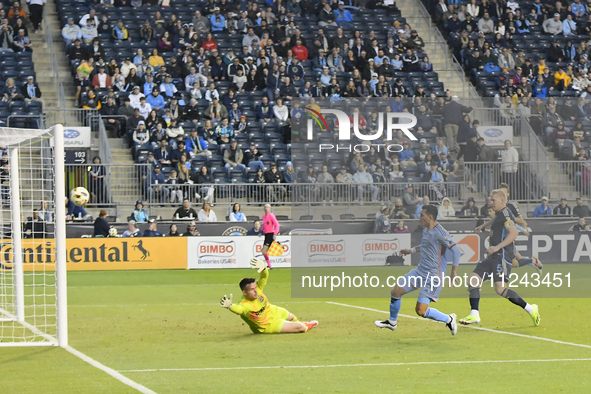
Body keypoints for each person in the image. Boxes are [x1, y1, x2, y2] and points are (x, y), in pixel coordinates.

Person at [459, 189, 540, 327]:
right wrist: (483, 227)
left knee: (500, 289)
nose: (491, 203)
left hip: (501, 256)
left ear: (502, 201)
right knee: (473, 280)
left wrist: (497, 247)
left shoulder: (507, 214)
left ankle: (531, 309)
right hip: (492, 256)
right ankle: (474, 314)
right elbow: (494, 223)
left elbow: (513, 233)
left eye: (493, 200)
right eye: (490, 200)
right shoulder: (498, 214)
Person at [375, 205, 460, 334]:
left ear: (430, 217)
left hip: (433, 276)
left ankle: (448, 319)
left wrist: (454, 272)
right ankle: (392, 322)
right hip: (420, 271)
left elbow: (456, 251)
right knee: (396, 292)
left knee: (421, 310)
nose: (419, 217)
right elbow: (425, 245)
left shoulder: (440, 233)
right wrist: (411, 250)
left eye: (422, 215)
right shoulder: (426, 230)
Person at [220, 258, 318, 333]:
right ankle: (306, 326)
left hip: (272, 311)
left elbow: (264, 277)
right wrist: (230, 306)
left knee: (291, 317)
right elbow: (239, 310)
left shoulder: (258, 289)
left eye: (255, 288)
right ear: (244, 292)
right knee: (300, 328)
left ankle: (300, 323)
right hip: (268, 325)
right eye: (252, 290)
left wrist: (264, 268)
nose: (255, 291)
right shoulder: (245, 304)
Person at [261, 204, 279, 269]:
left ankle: (269, 265)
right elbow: (265, 226)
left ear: (270, 208)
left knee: (264, 251)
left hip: (270, 234)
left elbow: (277, 225)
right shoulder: (263, 216)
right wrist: (262, 231)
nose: (266, 208)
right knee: (264, 251)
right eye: (265, 207)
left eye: (267, 207)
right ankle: (269, 265)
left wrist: (275, 233)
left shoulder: (271, 216)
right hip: (266, 234)